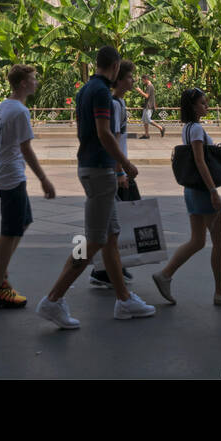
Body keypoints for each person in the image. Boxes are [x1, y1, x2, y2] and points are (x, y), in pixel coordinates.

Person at [36, 45, 155, 328]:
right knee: (94, 240)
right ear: (114, 66)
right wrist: (124, 163)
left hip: (92, 166)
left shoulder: (86, 88)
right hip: (100, 170)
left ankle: (124, 299)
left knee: (111, 236)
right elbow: (104, 132)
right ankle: (53, 299)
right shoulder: (102, 91)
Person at [151, 87, 221, 309]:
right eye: (202, 103)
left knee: (197, 239)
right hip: (202, 191)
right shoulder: (197, 129)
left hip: (191, 189)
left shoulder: (187, 128)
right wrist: (213, 191)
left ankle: (165, 274)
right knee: (219, 240)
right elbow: (200, 161)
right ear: (192, 106)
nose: (206, 106)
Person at [0, 64, 55, 309]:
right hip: (13, 176)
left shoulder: (3, 107)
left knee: (23, 221)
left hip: (4, 174)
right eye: (33, 78)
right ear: (23, 83)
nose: (36, 81)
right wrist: (44, 179)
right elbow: (26, 149)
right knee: (10, 231)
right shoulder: (20, 111)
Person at [91, 59, 138, 289]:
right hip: (115, 171)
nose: (133, 81)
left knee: (112, 225)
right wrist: (120, 171)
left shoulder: (118, 102)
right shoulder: (115, 105)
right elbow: (114, 138)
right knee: (112, 225)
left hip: (116, 168)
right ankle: (102, 268)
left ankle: (111, 266)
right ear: (119, 79)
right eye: (129, 77)